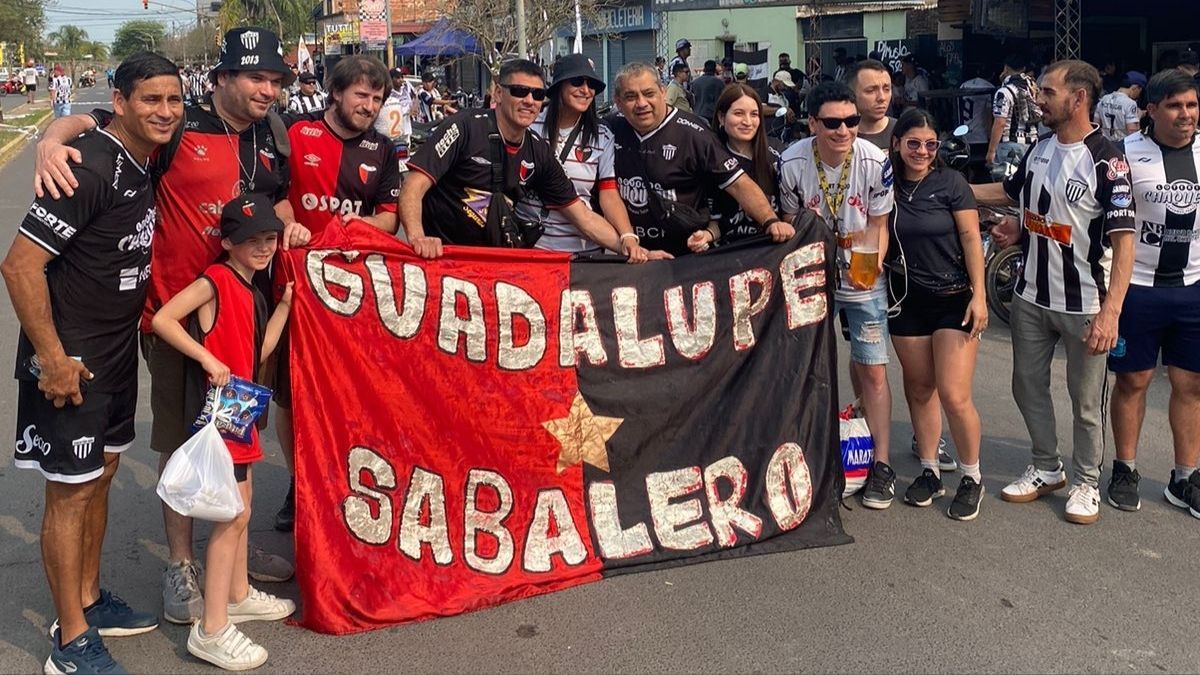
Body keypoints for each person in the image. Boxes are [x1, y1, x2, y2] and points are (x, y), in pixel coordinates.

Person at [35, 26, 311, 624]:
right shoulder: (177, 127)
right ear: (221, 79)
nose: (267, 90)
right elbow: (95, 126)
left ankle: (229, 561)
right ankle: (181, 567)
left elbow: (278, 200)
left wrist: (286, 224)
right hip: (177, 316)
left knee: (234, 436)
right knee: (184, 440)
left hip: (246, 311)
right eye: (255, 79)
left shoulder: (274, 135)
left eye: (275, 80)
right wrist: (50, 139)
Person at [2, 51, 183, 674]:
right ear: (124, 100)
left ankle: (87, 598)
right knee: (70, 494)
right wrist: (51, 358)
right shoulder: (91, 167)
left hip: (115, 351)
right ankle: (69, 641)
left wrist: (56, 128)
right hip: (70, 358)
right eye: (151, 100)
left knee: (101, 475)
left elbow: (82, 119)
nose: (165, 111)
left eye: (173, 100)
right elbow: (20, 265)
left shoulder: (139, 148)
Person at [975, 60, 1135, 525]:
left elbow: (1123, 245)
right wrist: (949, 189)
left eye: (1047, 92)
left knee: (1085, 403)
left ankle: (1087, 481)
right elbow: (1013, 196)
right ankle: (1047, 466)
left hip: (1085, 304)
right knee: (1026, 386)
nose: (1037, 100)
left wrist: (1112, 313)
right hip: (1028, 298)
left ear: (1078, 98)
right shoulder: (1040, 148)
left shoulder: (1108, 160)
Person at [151, 194, 297, 671]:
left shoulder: (254, 289)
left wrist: (284, 307)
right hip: (220, 418)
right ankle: (211, 628)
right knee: (231, 517)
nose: (263, 247)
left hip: (243, 411)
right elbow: (162, 319)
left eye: (270, 238)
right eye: (252, 239)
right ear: (228, 241)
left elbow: (260, 351)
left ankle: (235, 594)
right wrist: (207, 356)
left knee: (244, 506)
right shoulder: (215, 279)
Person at [778, 81, 896, 508]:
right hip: (812, 274)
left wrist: (873, 266)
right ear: (812, 123)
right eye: (833, 123)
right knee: (807, 366)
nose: (844, 130)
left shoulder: (874, 158)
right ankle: (812, 453)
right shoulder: (792, 161)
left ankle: (881, 464)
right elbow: (789, 227)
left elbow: (880, 224)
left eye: (852, 121)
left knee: (874, 371)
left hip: (863, 275)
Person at [400, 59, 632, 259]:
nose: (529, 101)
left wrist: (630, 246)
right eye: (520, 91)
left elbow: (583, 217)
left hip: (496, 259)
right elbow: (413, 184)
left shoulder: (538, 150)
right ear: (499, 93)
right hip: (446, 257)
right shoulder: (464, 126)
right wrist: (418, 236)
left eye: (537, 94)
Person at [885, 109, 987, 520]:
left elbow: (970, 239)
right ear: (896, 143)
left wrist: (979, 295)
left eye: (930, 144)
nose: (923, 152)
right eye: (913, 143)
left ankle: (971, 475)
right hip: (905, 299)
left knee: (954, 394)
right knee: (919, 388)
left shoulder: (951, 183)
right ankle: (929, 469)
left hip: (952, 298)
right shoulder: (884, 183)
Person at [1107, 70, 1200, 517]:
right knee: (1133, 381)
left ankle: (1185, 478)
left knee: (1190, 385)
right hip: (1138, 289)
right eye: (1175, 106)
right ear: (1151, 110)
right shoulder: (1125, 154)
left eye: (1192, 105)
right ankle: (1125, 469)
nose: (1186, 115)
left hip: (1192, 290)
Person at [609, 62, 793, 257]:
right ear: (617, 101)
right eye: (631, 97)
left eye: (649, 93)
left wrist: (770, 221)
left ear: (662, 92)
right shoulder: (610, 128)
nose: (641, 103)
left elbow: (739, 184)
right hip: (633, 253)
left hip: (684, 256)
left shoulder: (695, 134)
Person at [514, 54, 651, 261]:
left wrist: (628, 237)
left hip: (582, 254)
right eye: (577, 81)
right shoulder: (530, 125)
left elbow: (609, 193)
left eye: (592, 84)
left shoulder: (602, 135)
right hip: (531, 250)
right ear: (559, 85)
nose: (586, 90)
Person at [695, 83, 781, 249]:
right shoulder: (710, 162)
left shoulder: (776, 156)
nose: (747, 122)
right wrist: (706, 236)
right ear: (721, 117)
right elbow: (717, 224)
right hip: (729, 255)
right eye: (738, 113)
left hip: (771, 251)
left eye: (754, 114)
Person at [987, 54, 1042, 177]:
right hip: (1033, 143)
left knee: (1006, 187)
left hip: (1009, 144)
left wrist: (991, 151)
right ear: (1023, 69)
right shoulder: (1034, 90)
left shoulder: (1004, 92)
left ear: (1006, 68)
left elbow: (1000, 122)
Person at [848, 59, 896, 150]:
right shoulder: (839, 136)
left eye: (887, 89)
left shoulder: (904, 131)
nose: (882, 98)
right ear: (852, 94)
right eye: (871, 91)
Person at [1094, 71, 1145, 142]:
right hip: (1122, 146)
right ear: (1135, 88)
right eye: (1140, 91)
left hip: (1105, 144)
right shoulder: (1130, 103)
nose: (1139, 95)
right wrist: (1138, 117)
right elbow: (1133, 132)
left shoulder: (1103, 99)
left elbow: (1096, 125)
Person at [375, 66, 417, 149]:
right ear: (391, 79)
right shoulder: (387, 93)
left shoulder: (406, 87)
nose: (401, 80)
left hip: (406, 127)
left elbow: (415, 96)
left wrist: (414, 107)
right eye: (397, 78)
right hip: (392, 130)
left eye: (402, 77)